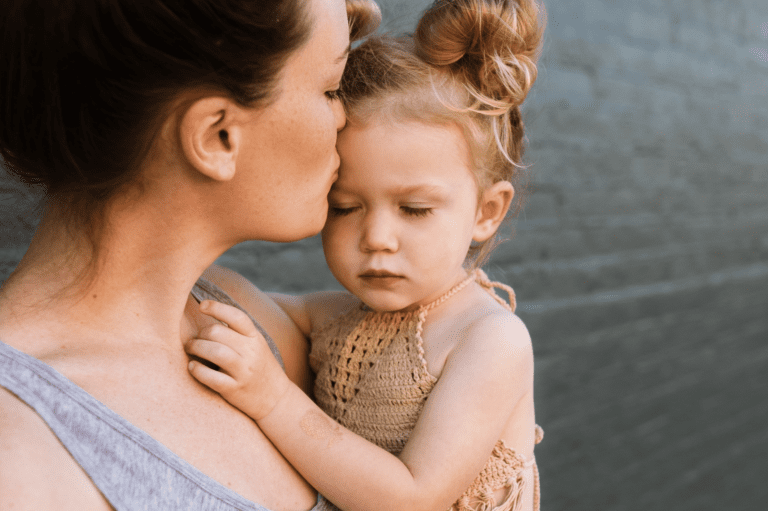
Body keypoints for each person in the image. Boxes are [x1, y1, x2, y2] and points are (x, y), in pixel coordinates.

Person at [0, 0, 379, 509]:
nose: (345, 117)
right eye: (331, 89)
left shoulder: (248, 321)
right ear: (217, 136)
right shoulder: (21, 455)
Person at [185, 1, 546, 510]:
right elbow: (233, 297)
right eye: (346, 206)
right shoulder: (335, 318)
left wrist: (273, 399)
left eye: (414, 209)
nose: (377, 236)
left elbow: (412, 498)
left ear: (487, 211)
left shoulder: (489, 340)